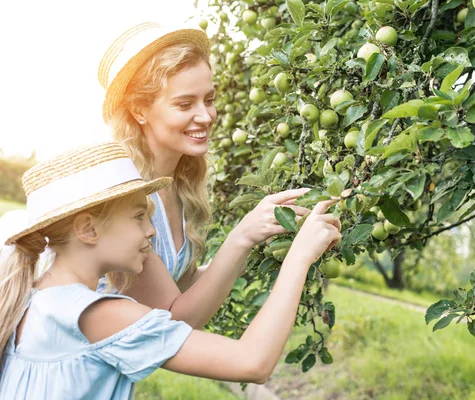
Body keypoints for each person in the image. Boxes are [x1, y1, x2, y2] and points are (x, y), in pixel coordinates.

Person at [0, 142, 341, 399]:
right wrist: (300, 255)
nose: (151, 230)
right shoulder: (99, 314)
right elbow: (253, 362)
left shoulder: (34, 299)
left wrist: (245, 241)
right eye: (138, 217)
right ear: (87, 229)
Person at [96, 22, 317, 328]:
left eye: (209, 99)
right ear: (139, 110)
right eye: (185, 104)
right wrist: (242, 236)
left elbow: (181, 285)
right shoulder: (122, 194)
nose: (206, 116)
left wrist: (262, 240)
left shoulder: (181, 185)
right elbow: (172, 321)